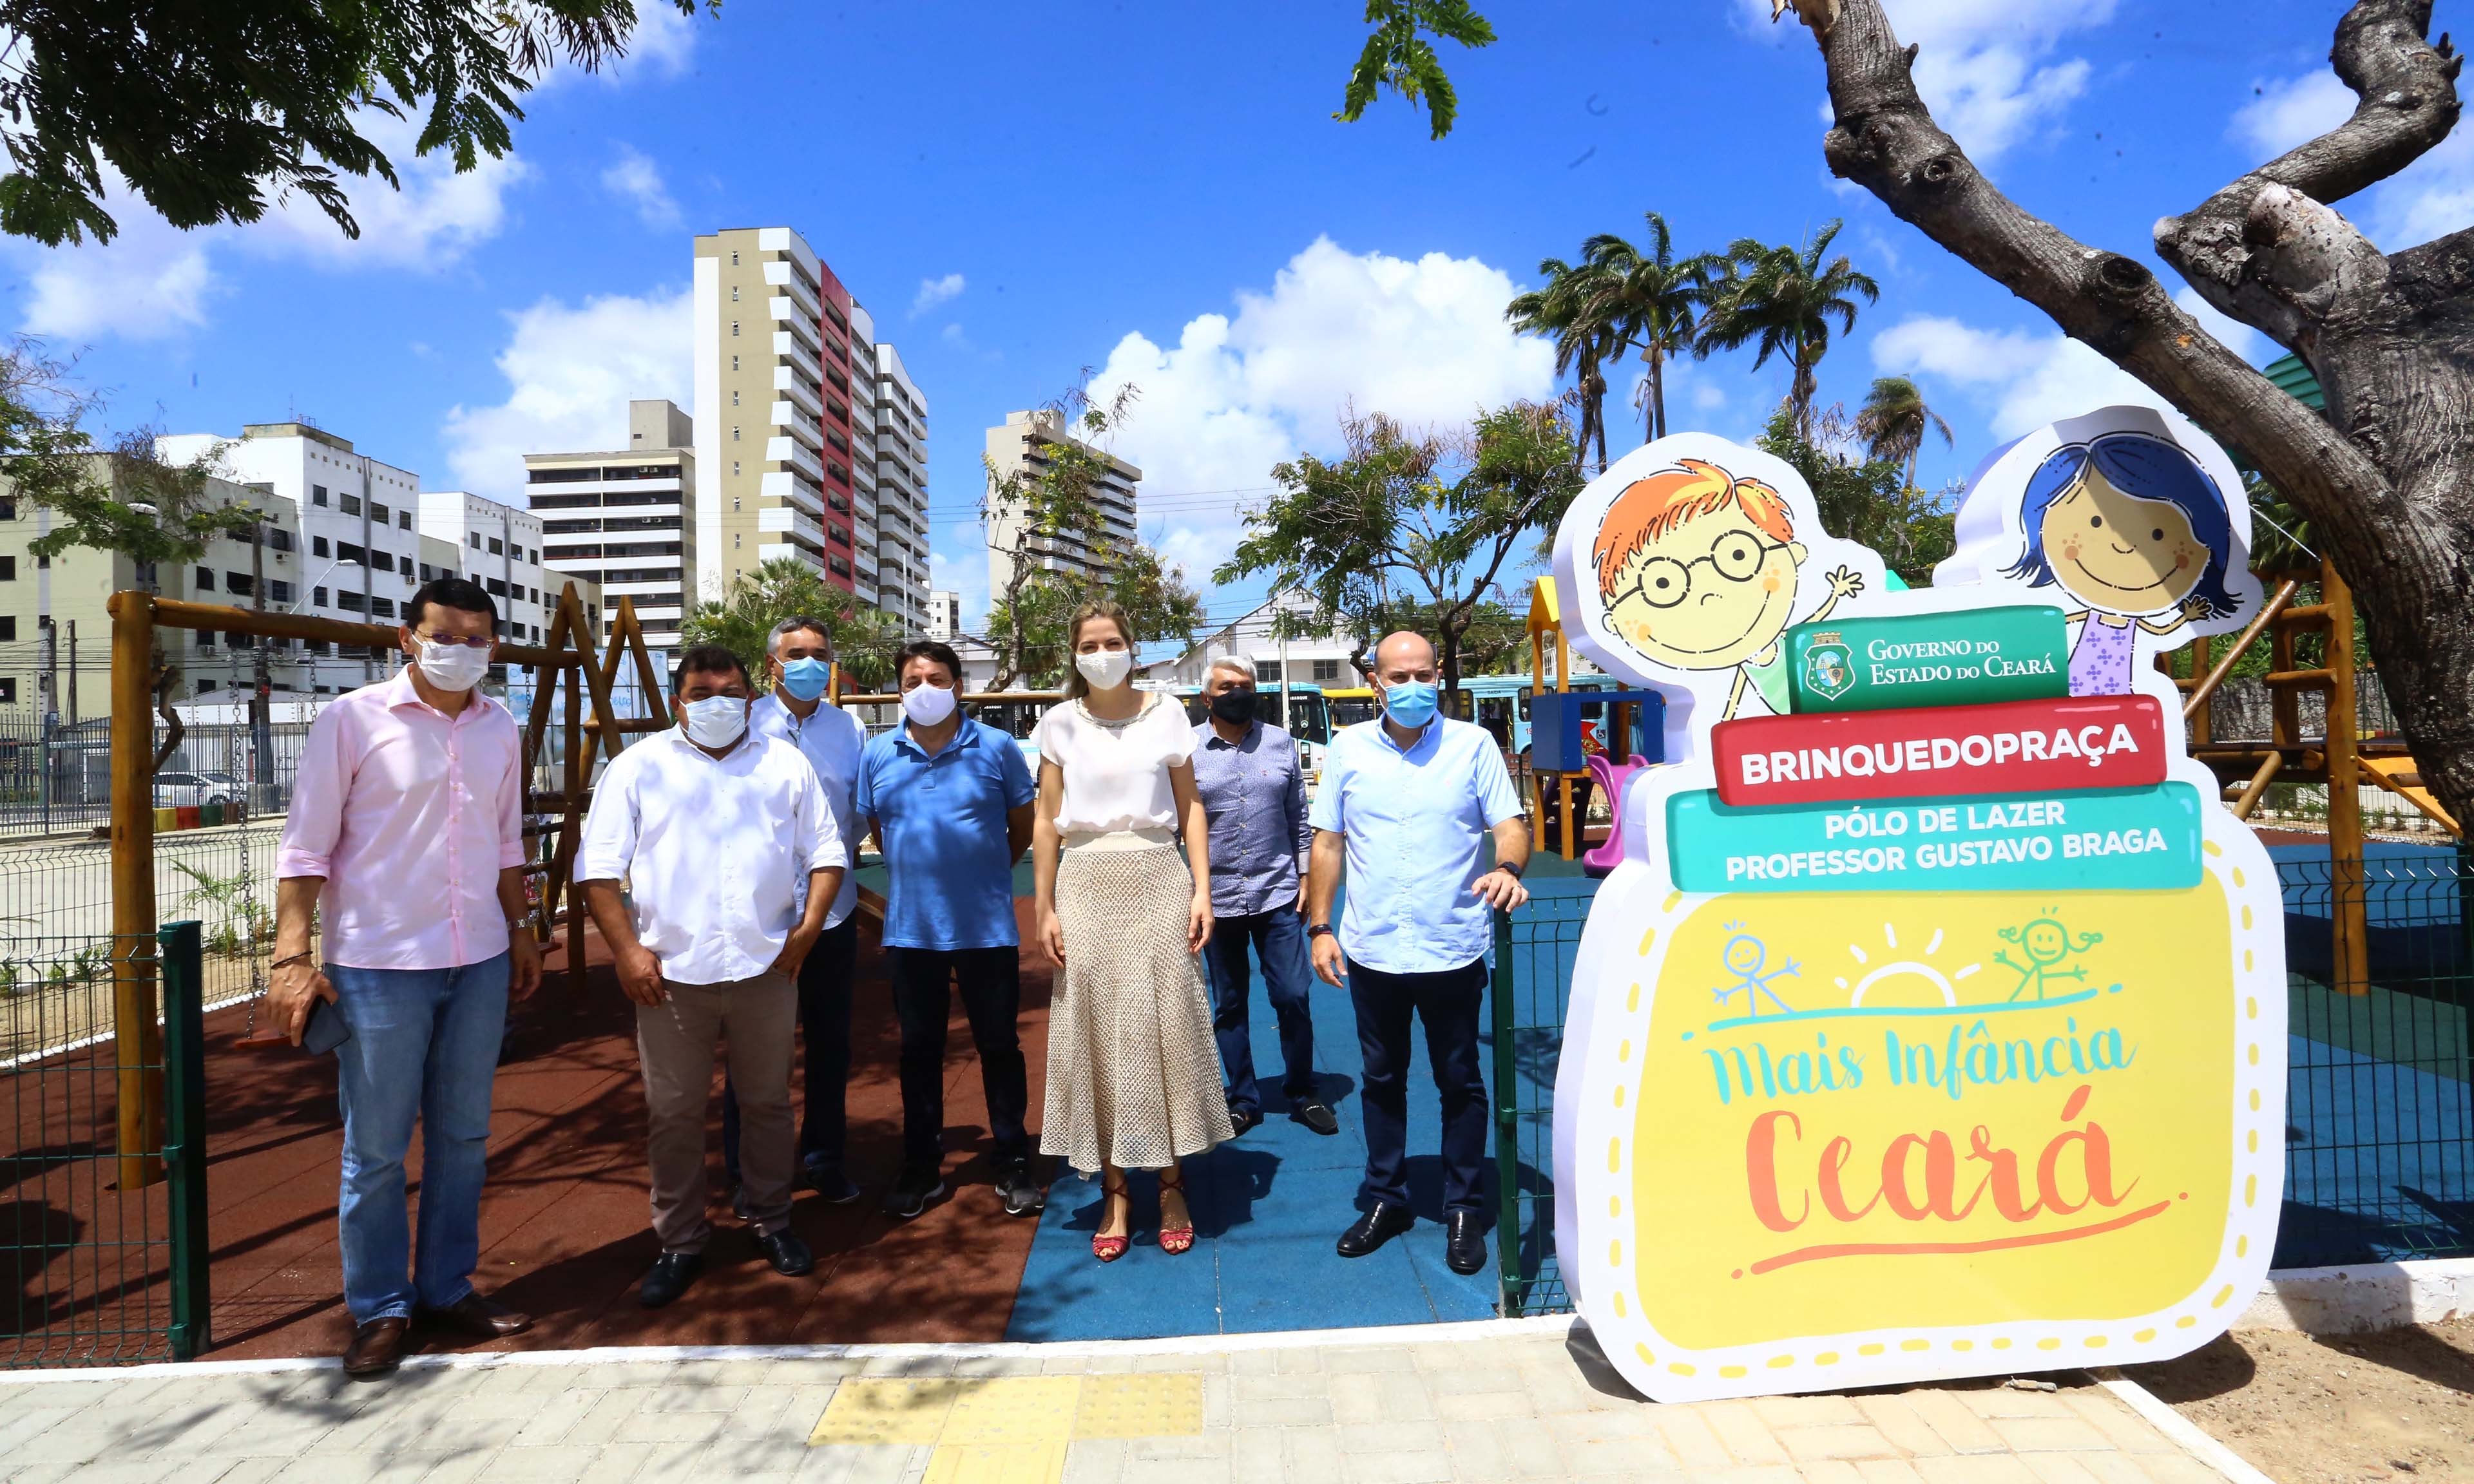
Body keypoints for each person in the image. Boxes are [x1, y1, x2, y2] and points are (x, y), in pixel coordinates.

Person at [269, 576, 544, 1378]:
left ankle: (448, 1289)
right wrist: (293, 956)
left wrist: (522, 929)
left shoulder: (500, 727)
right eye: (445, 635)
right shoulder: (351, 721)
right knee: (378, 1150)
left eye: (478, 639)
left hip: (481, 959)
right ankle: (382, 1308)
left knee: (464, 1139)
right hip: (379, 965)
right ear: (407, 638)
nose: (462, 651)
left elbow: (505, 841)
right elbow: (305, 849)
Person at [578, 645, 845, 1309]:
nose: (717, 702)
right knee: (672, 1114)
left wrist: (807, 931)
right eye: (702, 692)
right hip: (668, 975)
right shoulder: (638, 769)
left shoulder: (785, 765)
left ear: (752, 698)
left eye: (730, 691)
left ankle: (772, 1221)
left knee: (767, 1104)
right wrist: (627, 952)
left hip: (764, 965)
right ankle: (680, 1240)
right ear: (678, 702)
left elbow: (828, 853)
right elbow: (599, 871)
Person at [1307, 631, 1530, 1277]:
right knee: (1381, 1081)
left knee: (1460, 1081)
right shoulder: (1347, 750)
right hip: (1374, 948)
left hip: (1452, 945)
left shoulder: (1473, 745)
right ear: (1375, 683)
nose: (1412, 685)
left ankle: (1463, 1206)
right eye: (1398, 675)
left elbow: (1509, 823)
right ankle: (1388, 1198)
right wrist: (1321, 927)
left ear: (1440, 676)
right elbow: (1328, 844)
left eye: (1423, 672)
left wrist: (1510, 865)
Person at [1032, 602, 1231, 1261]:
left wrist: (1202, 890)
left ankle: (1171, 1184)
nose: (1102, 652)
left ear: (1132, 647)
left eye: (1113, 641)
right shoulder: (1057, 723)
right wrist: (1045, 907)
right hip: (1086, 882)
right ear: (1074, 653)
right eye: (1090, 643)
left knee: (1164, 1024)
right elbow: (1044, 821)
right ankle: (1115, 1190)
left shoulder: (1168, 712)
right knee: (1095, 1027)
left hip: (1157, 874)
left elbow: (1190, 806)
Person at [854, 640, 1044, 1221]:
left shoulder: (997, 747)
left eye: (937, 678)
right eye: (913, 680)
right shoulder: (878, 754)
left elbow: (1022, 827)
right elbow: (878, 828)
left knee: (998, 1046)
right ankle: (922, 1162)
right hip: (913, 931)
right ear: (899, 688)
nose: (924, 689)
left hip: (987, 926)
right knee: (919, 1050)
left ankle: (1012, 1157)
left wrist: (984, 875)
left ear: (958, 686)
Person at [718, 617, 870, 1207]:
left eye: (821, 653)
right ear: (772, 663)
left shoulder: (849, 729)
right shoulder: (743, 723)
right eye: (796, 653)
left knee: (831, 1045)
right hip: (758, 917)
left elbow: (855, 815)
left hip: (831, 913)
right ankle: (744, 1167)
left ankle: (824, 1158)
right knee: (755, 1051)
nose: (810, 663)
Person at [1590, 456, 1863, 719]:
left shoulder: (1795, 642)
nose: (1709, 595)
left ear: (1793, 552)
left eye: (1738, 555)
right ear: (1615, 622)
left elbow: (1812, 622)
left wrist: (1836, 592)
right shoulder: (1748, 664)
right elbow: (1735, 694)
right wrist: (1726, 719)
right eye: (1662, 584)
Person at [1191, 656, 1335, 1137]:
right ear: (1207, 697)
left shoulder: (1280, 742)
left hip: (1279, 895)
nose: (1238, 693)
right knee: (1229, 1004)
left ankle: (1301, 1089)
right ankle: (1242, 1098)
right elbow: (1176, 827)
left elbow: (1299, 821)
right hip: (1218, 900)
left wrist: (1308, 880)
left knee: (1293, 995)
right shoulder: (1187, 750)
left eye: (1246, 686)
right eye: (1227, 687)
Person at [1999, 432, 2240, 696]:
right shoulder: (2089, 616)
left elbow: (2158, 629)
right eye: (2096, 522)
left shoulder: (2134, 624)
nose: (2123, 545)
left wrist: (2187, 616)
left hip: (2119, 684)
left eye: (2157, 534)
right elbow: (2066, 621)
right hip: (2077, 680)